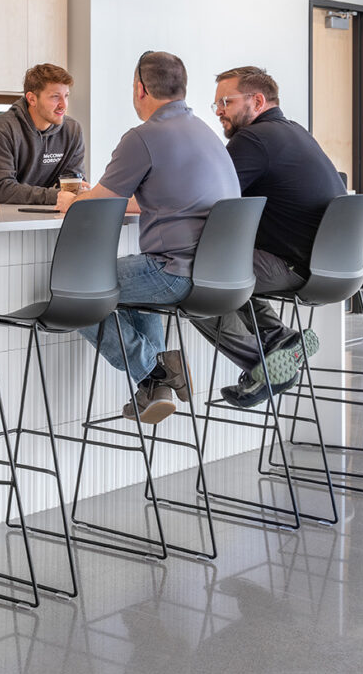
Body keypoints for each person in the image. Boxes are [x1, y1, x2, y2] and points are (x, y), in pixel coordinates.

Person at [64, 51, 240, 424]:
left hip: (173, 272)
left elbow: (96, 206)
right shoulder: (206, 133)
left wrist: (70, 199)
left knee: (75, 292)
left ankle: (156, 370)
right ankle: (154, 389)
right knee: (126, 294)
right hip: (217, 272)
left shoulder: (143, 138)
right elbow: (164, 199)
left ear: (140, 89)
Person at [200, 66, 341, 407]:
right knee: (227, 268)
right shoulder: (295, 131)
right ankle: (281, 340)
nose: (219, 110)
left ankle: (262, 364)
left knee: (191, 275)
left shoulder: (254, 139)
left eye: (225, 101)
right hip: (330, 264)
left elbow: (204, 195)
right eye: (216, 103)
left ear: (257, 101)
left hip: (293, 264)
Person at [0, 62, 87, 207]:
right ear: (32, 99)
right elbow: (2, 189)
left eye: (66, 96)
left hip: (44, 213)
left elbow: (73, 182)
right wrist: (56, 196)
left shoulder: (72, 130)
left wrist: (79, 191)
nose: (63, 105)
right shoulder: (2, 129)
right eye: (55, 97)